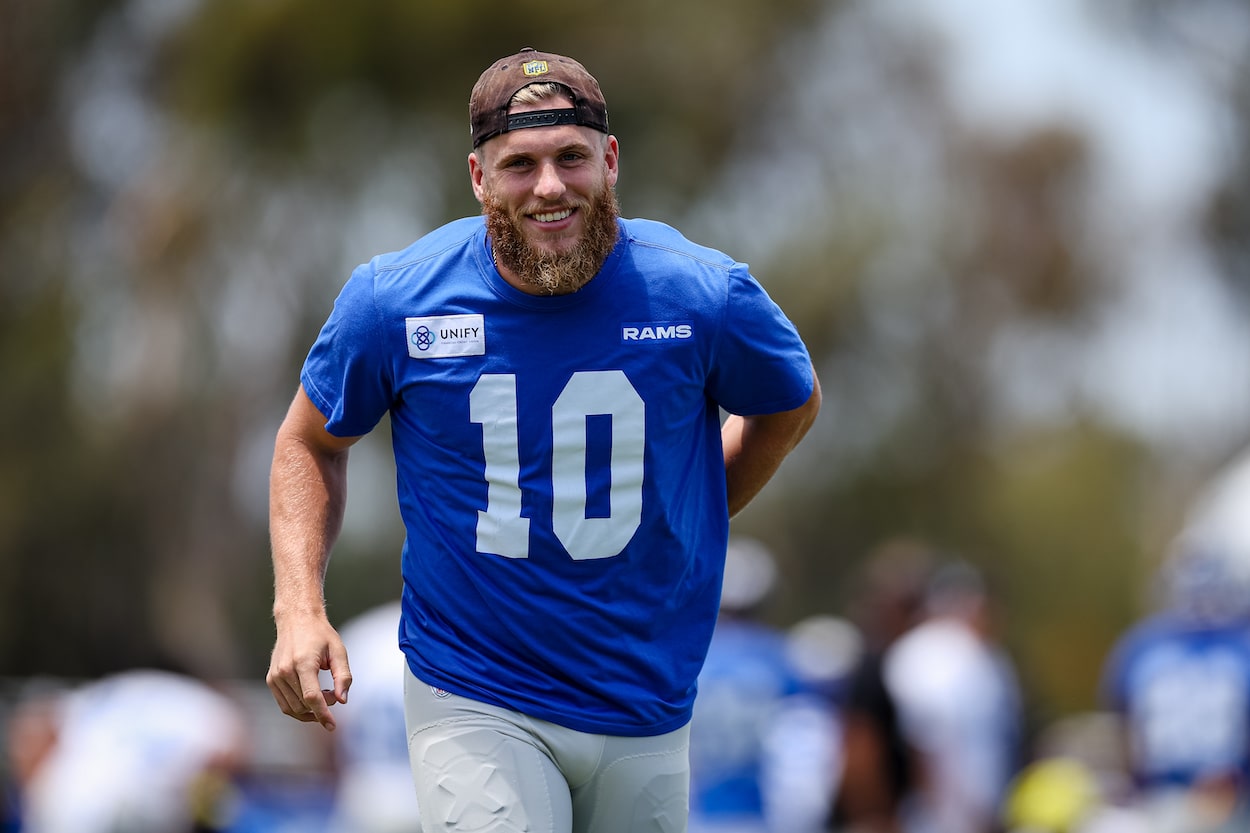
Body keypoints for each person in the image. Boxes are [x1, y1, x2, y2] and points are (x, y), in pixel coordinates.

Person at [265, 46, 821, 833]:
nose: (551, 186)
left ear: (611, 160)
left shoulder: (699, 292)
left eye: (571, 157)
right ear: (478, 178)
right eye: (520, 163)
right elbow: (308, 440)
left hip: (646, 695)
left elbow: (789, 402)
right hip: (476, 689)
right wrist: (299, 607)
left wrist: (695, 506)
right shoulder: (398, 300)